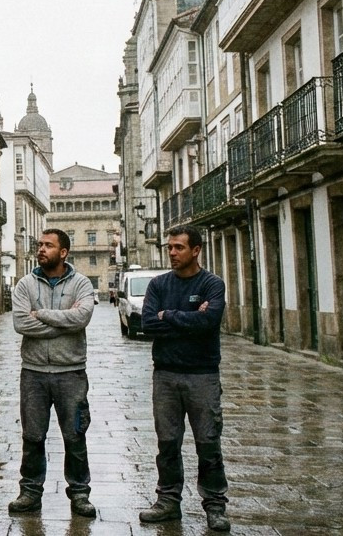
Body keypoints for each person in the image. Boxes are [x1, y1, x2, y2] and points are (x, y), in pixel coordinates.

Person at [138, 225, 230, 532]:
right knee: (167, 443)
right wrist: (185, 317)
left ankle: (215, 505)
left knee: (208, 442)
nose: (173, 253)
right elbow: (148, 324)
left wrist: (169, 315)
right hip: (165, 375)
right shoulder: (158, 284)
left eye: (178, 247)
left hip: (203, 375)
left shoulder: (212, 284)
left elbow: (209, 322)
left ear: (196, 250)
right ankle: (167, 501)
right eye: (170, 248)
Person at [8, 229, 97, 519]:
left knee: (74, 435)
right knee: (33, 435)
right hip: (33, 372)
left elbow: (81, 317)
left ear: (64, 252)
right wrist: (63, 323)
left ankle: (80, 494)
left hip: (70, 372)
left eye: (48, 245)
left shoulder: (82, 283)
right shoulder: (25, 284)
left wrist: (42, 314)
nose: (41, 249)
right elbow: (21, 323)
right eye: (40, 245)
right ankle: (30, 492)